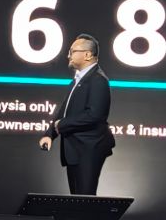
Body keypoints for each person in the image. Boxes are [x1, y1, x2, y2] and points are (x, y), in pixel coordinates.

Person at [38, 34, 115, 195]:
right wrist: (50, 134)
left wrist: (61, 125)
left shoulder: (98, 80)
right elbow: (64, 110)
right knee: (76, 198)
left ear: (87, 55)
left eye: (73, 51)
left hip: (89, 148)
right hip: (74, 149)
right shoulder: (76, 81)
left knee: (84, 198)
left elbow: (95, 115)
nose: (68, 55)